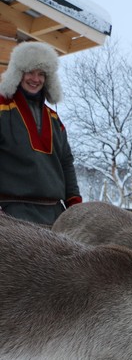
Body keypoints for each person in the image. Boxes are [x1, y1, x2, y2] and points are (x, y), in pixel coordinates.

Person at [0, 41, 81, 225]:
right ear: (18, 73)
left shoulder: (54, 119)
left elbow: (66, 163)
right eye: (30, 72)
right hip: (11, 213)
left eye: (41, 74)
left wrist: (74, 205)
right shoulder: (2, 109)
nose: (35, 79)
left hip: (55, 215)